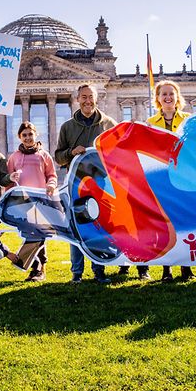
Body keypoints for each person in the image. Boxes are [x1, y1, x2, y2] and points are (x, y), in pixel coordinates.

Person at [54, 84, 118, 284]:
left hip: (101, 185)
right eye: (83, 97)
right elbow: (58, 157)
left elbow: (117, 154)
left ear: (96, 99)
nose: (87, 101)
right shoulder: (67, 127)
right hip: (75, 185)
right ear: (77, 99)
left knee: (98, 227)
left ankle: (99, 271)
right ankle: (77, 273)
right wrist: (72, 152)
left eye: (91, 97)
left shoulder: (108, 123)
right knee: (77, 228)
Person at [144, 80, 192, 282]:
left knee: (186, 223)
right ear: (158, 98)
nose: (168, 97)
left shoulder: (189, 120)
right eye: (163, 94)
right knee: (165, 225)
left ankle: (187, 267)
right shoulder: (150, 123)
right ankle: (167, 268)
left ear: (177, 96)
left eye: (171, 93)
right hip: (162, 179)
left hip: (184, 178)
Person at [6, 121, 58, 282]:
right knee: (31, 234)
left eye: (30, 134)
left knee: (40, 233)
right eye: (24, 135)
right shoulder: (14, 157)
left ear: (36, 135)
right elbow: (8, 181)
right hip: (22, 203)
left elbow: (52, 175)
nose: (28, 138)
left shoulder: (44, 155)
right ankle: (36, 266)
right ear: (19, 137)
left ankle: (39, 268)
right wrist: (9, 196)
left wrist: (50, 185)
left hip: (41, 201)